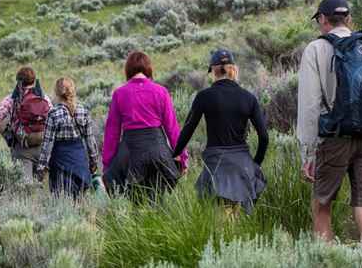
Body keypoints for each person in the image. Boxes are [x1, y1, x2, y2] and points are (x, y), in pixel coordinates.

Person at [298, 0, 362, 247]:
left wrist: (308, 154)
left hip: (334, 140)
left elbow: (310, 106)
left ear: (322, 20)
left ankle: (326, 261)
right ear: (349, 19)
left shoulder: (316, 49)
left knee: (322, 208)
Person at [172, 49, 269, 214]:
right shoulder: (248, 97)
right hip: (242, 163)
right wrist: (255, 165)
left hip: (216, 163)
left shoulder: (204, 96)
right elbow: (264, 137)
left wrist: (176, 154)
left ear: (213, 71)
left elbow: (188, 129)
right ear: (233, 69)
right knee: (238, 217)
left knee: (219, 217)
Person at [102, 51, 188, 197]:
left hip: (131, 153)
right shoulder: (161, 91)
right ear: (148, 68)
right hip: (158, 151)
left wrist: (107, 164)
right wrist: (183, 157)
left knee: (136, 202)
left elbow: (112, 133)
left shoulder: (119, 94)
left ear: (128, 69)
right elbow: (172, 128)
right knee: (158, 201)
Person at [34, 78, 100, 197]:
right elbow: (90, 141)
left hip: (59, 163)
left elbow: (47, 144)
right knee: (80, 199)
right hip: (79, 161)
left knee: (61, 199)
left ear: (57, 93)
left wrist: (41, 168)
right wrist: (93, 162)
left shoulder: (53, 113)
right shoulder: (83, 110)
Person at [0, 66, 52, 183]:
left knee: (25, 188)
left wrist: (8, 137)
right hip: (42, 147)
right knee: (40, 185)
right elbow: (53, 118)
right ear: (34, 81)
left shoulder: (11, 99)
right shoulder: (43, 98)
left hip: (21, 149)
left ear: (19, 82)